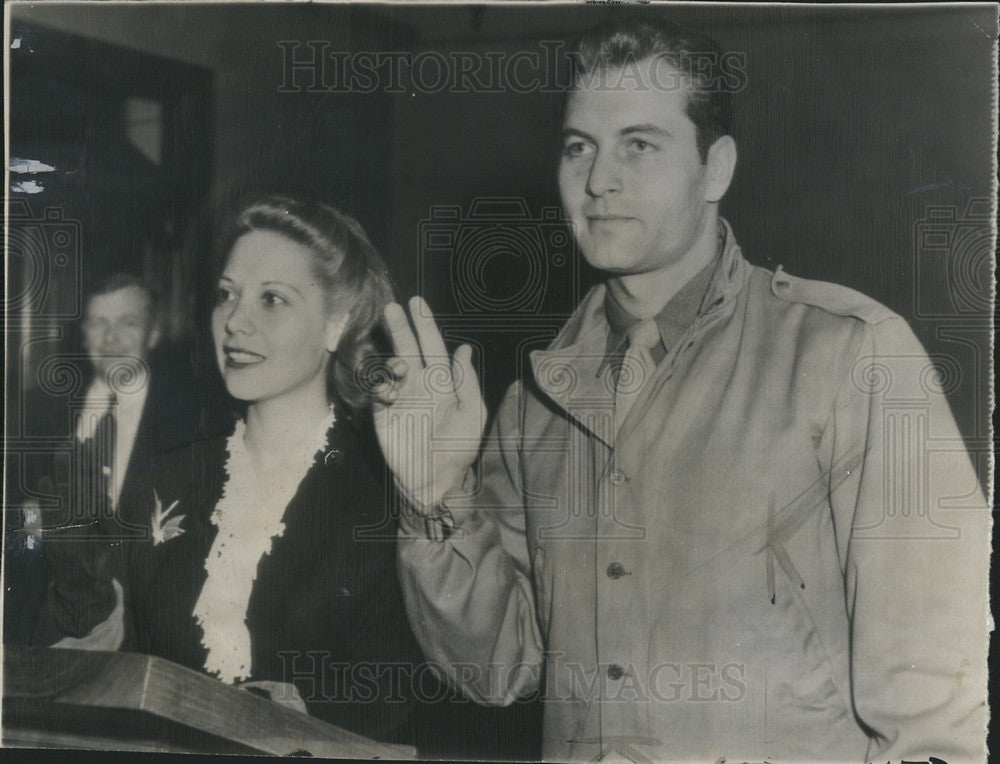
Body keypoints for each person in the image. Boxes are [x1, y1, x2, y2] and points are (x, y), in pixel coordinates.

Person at [377, 20, 990, 763]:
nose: (600, 179)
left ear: (716, 168)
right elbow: (497, 670)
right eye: (580, 147)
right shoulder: (533, 406)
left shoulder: (849, 355)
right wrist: (437, 499)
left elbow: (933, 710)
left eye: (640, 144)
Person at [35, 197, 425, 745]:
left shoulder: (384, 503)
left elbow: (390, 700)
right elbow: (101, 653)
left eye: (272, 300)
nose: (235, 322)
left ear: (336, 325)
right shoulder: (161, 481)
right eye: (227, 295)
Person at [5, 272, 216, 645]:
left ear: (153, 333)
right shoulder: (37, 411)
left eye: (128, 323)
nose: (111, 338)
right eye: (99, 323)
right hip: (43, 630)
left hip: (147, 639)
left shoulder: (194, 420)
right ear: (84, 333)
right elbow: (14, 531)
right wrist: (28, 524)